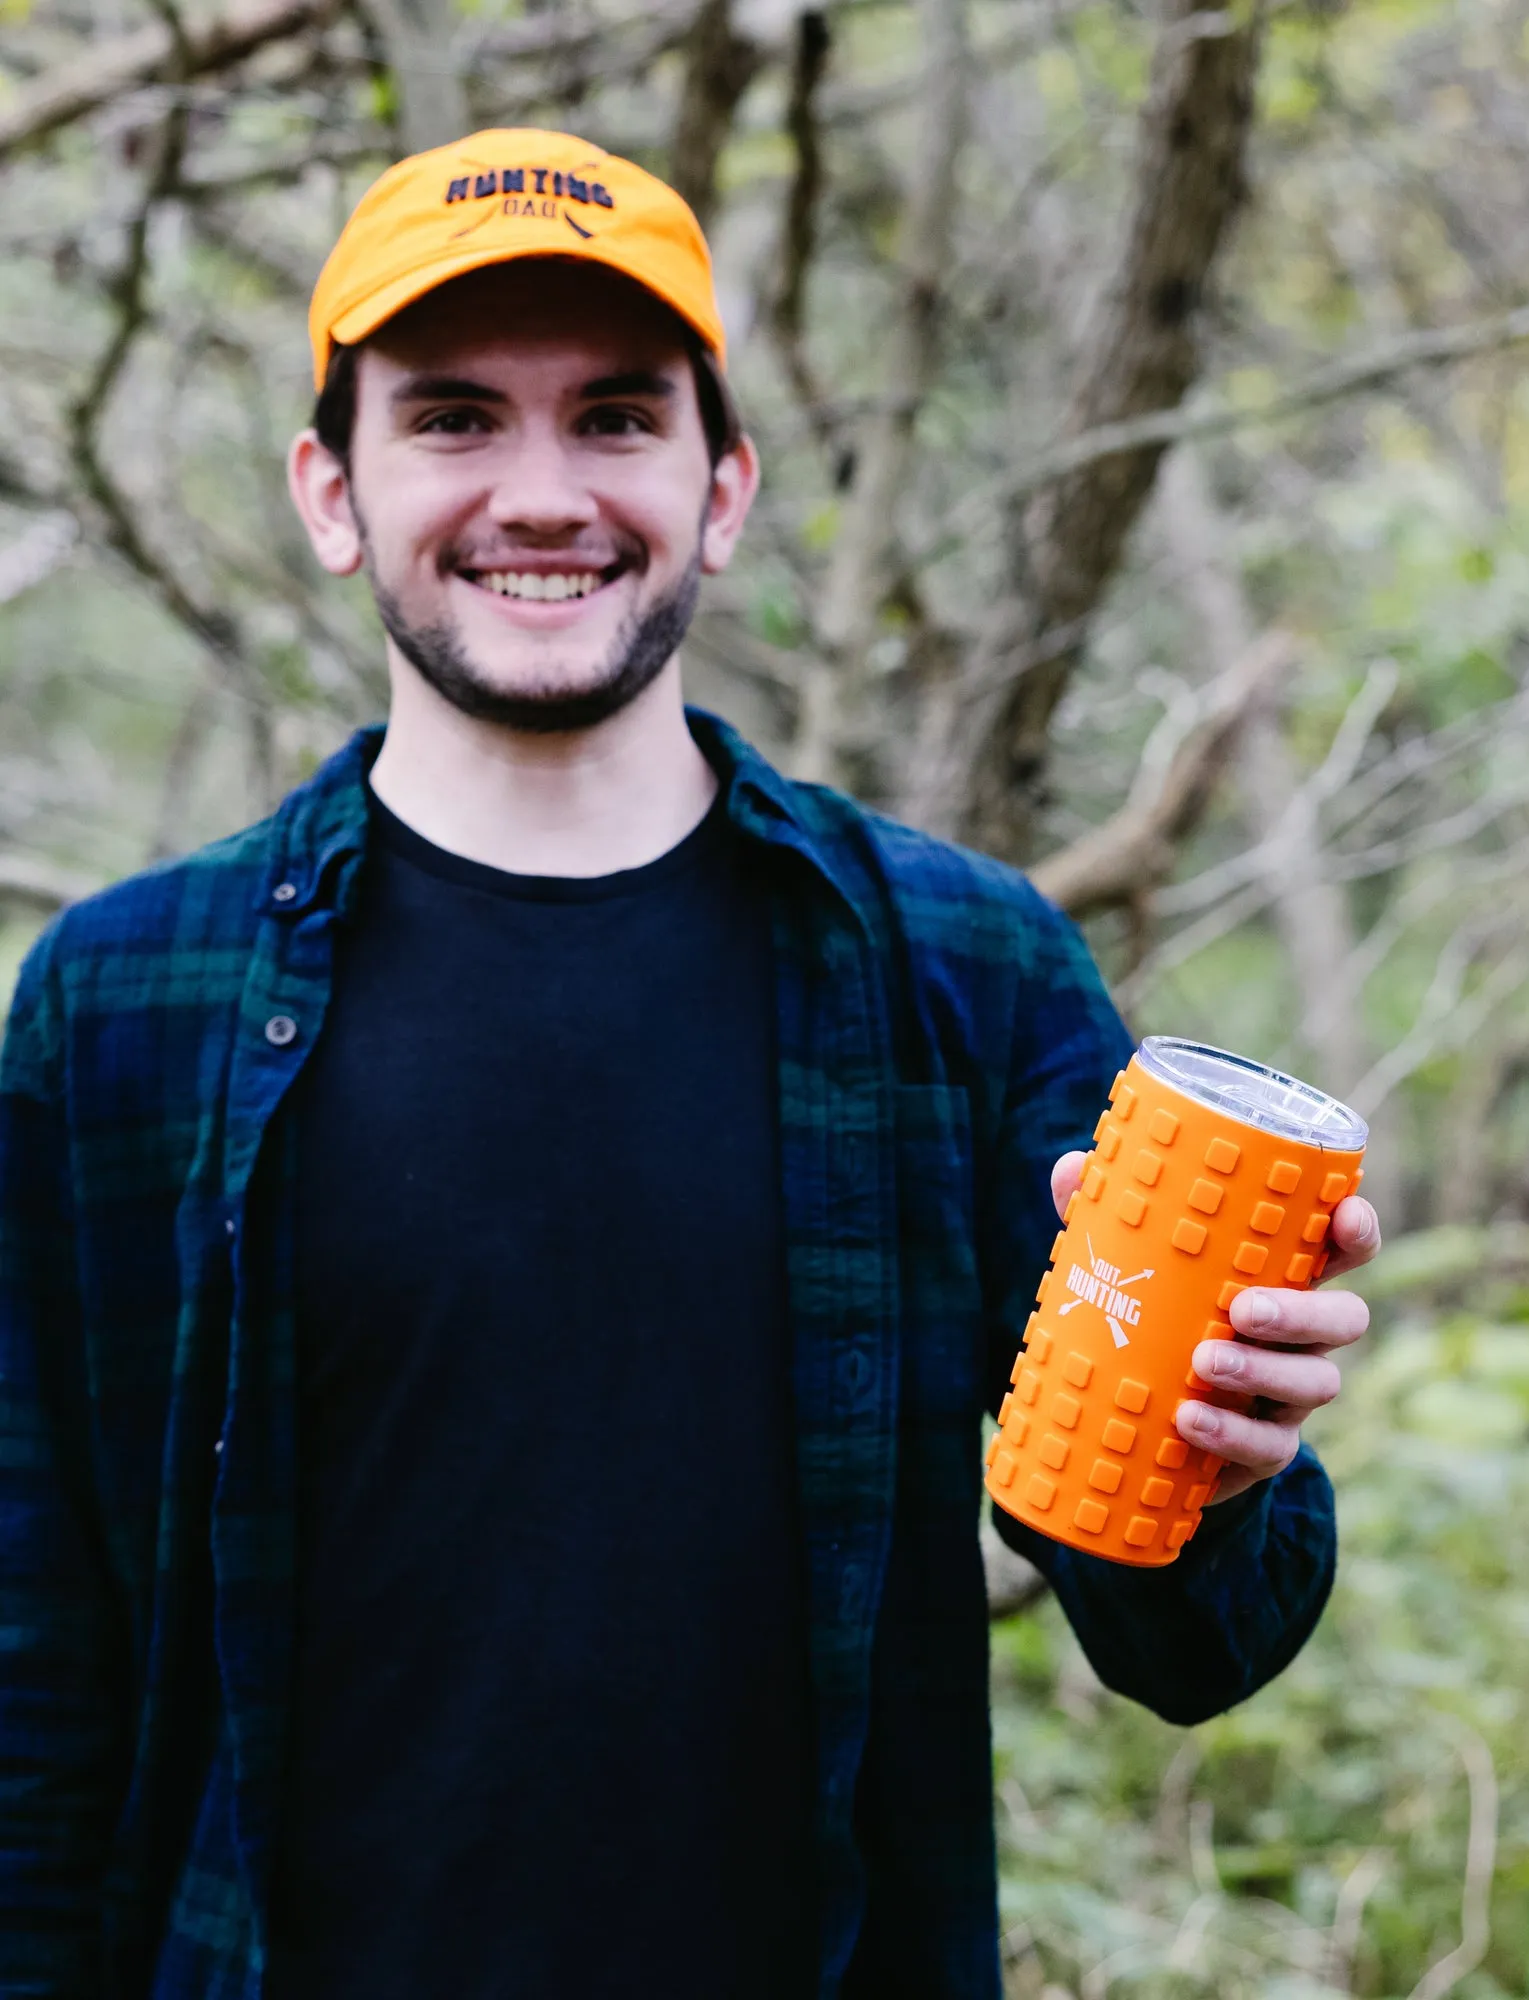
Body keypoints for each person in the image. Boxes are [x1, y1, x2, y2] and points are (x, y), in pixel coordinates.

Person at [0, 129, 1379, 1998]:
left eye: (620, 419)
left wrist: (1226, 1466)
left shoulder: (955, 972)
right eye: (458, 420)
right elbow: (38, 1658)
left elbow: (1197, 1643)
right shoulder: (124, 999)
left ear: (723, 487)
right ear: (332, 491)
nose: (544, 493)